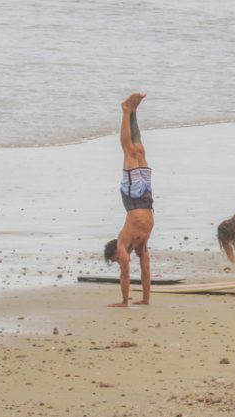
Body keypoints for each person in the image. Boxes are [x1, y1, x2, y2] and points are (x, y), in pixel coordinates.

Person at [104, 93, 154, 307]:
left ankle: (126, 110)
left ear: (115, 252)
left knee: (129, 151)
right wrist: (145, 299)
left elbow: (125, 275)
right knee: (140, 150)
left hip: (133, 198)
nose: (120, 262)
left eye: (115, 260)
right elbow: (146, 270)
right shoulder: (141, 247)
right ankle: (134, 112)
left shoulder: (123, 244)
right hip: (146, 199)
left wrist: (124, 302)